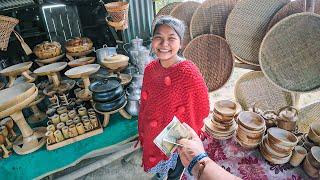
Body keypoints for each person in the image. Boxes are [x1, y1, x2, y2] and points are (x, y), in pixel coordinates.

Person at [138, 15, 210, 180]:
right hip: (154, 135)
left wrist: (184, 132)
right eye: (159, 38)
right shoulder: (150, 69)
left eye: (171, 38)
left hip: (177, 142)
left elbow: (202, 107)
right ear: (152, 40)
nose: (164, 44)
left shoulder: (188, 72)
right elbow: (146, 104)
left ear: (181, 42)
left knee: (174, 173)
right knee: (159, 169)